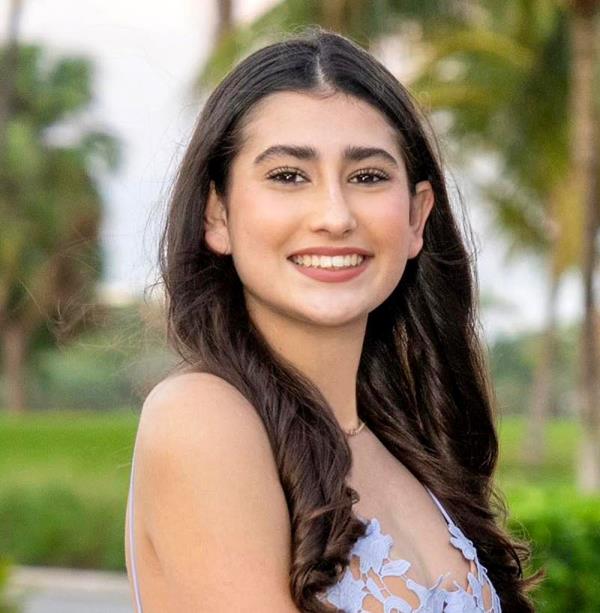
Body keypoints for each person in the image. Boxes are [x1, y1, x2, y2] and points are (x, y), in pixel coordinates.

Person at [124, 27, 542, 612]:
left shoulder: (406, 444)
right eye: (288, 176)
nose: (334, 215)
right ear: (217, 214)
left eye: (367, 176)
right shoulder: (203, 417)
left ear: (418, 216)